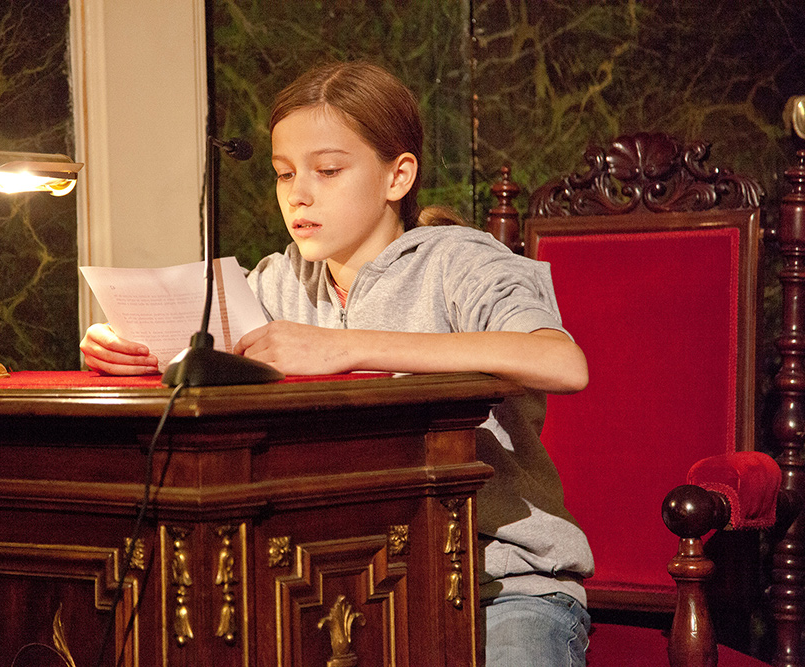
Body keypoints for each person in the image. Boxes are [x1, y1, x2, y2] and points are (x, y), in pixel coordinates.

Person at [80, 60, 594, 666]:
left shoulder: (460, 262)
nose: (298, 194)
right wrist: (126, 348)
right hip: (340, 581)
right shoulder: (275, 283)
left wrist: (349, 346)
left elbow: (562, 362)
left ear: (398, 176)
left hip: (501, 586)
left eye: (327, 171)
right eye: (284, 173)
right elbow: (195, 352)